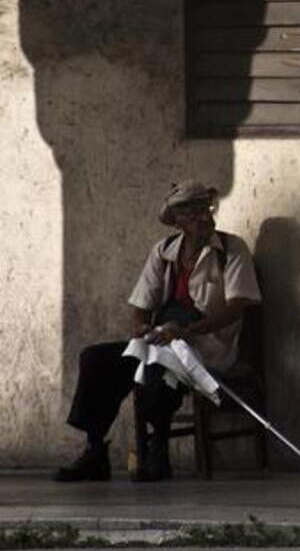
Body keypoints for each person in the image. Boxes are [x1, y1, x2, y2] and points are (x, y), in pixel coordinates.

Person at [54, 180, 262, 482]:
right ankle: (95, 450)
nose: (202, 217)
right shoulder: (163, 251)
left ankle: (158, 451)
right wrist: (141, 329)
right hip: (162, 340)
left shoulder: (231, 249)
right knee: (96, 359)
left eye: (205, 208)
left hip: (206, 347)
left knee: (159, 368)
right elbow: (141, 304)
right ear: (177, 220)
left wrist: (187, 331)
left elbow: (236, 307)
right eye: (191, 213)